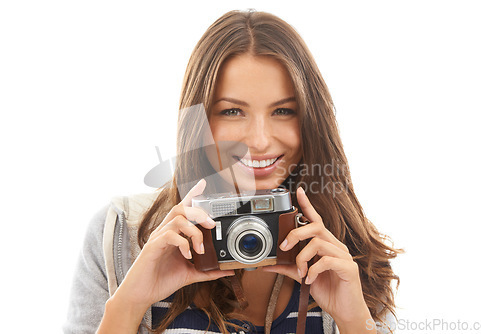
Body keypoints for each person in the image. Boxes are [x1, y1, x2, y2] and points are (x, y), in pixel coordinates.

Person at [64, 9, 401, 334]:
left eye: (283, 110)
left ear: (312, 120)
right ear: (199, 120)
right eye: (233, 111)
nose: (258, 140)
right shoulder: (122, 235)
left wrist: (356, 324)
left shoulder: (352, 252)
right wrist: (129, 303)